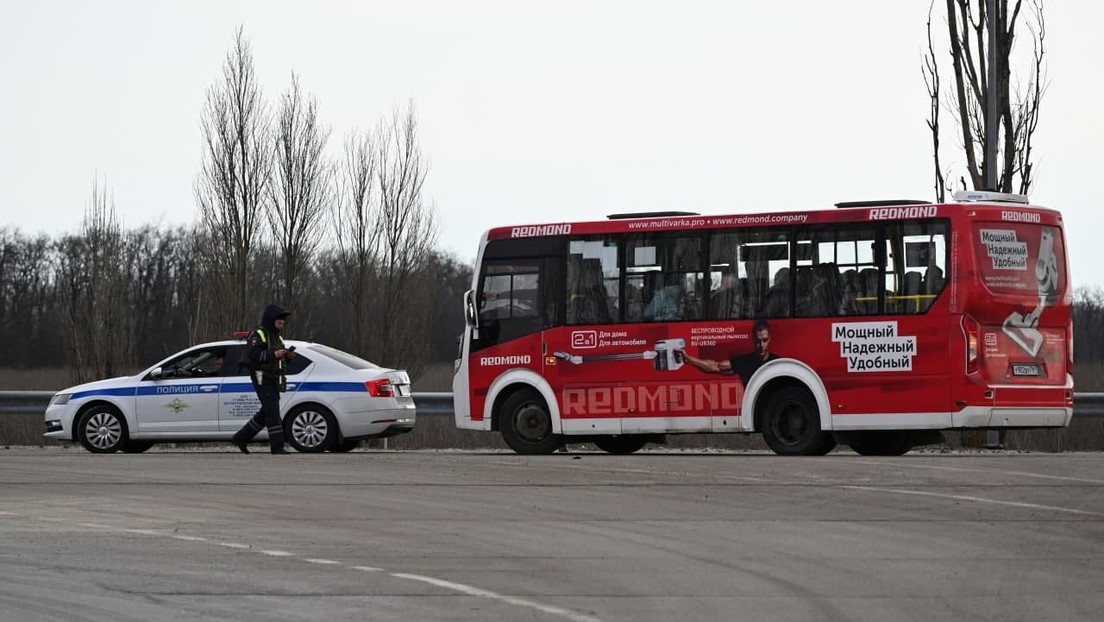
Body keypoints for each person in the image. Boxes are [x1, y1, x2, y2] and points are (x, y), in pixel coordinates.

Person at [232, 304, 296, 454]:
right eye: (279, 320)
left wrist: (288, 356)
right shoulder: (258, 334)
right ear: (271, 319)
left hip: (274, 376)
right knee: (272, 411)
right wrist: (274, 354)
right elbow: (253, 354)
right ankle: (277, 446)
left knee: (267, 410)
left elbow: (279, 357)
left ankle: (241, 438)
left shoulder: (278, 336)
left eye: (283, 320)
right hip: (261, 376)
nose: (282, 322)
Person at [680, 319, 779, 385]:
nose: (761, 345)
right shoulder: (745, 362)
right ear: (753, 339)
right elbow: (715, 366)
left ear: (770, 339)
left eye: (765, 340)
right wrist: (689, 360)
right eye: (758, 341)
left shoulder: (778, 363)